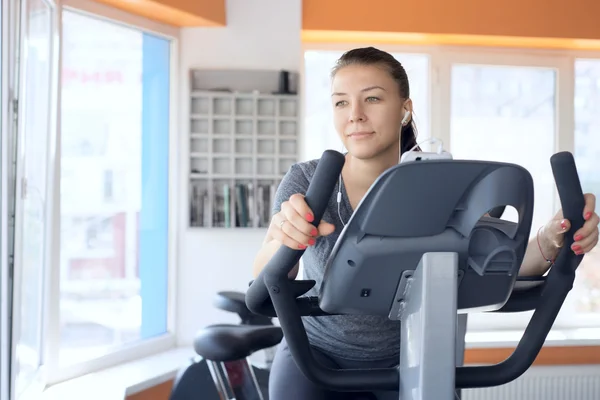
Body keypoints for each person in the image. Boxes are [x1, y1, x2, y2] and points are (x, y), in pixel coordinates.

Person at [252, 46, 600, 399]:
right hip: (314, 355)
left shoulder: (442, 184)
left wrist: (553, 237)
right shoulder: (309, 181)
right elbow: (263, 272)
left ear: (405, 109)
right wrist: (286, 241)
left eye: (371, 99)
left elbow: (491, 261)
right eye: (341, 102)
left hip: (412, 357)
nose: (354, 115)